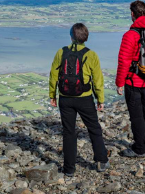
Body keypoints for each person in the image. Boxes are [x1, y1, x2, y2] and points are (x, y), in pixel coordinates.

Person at [49, 23, 109, 176]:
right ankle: (101, 161)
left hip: (65, 98)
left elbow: (53, 75)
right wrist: (100, 99)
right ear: (85, 37)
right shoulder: (91, 55)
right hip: (84, 98)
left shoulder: (61, 52)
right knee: (94, 128)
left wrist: (52, 95)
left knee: (69, 132)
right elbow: (97, 80)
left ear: (71, 37)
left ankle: (69, 169)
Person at [116, 0, 145, 157]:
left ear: (132, 14)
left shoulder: (130, 35)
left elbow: (124, 61)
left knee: (136, 115)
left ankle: (139, 148)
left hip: (133, 81)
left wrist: (119, 83)